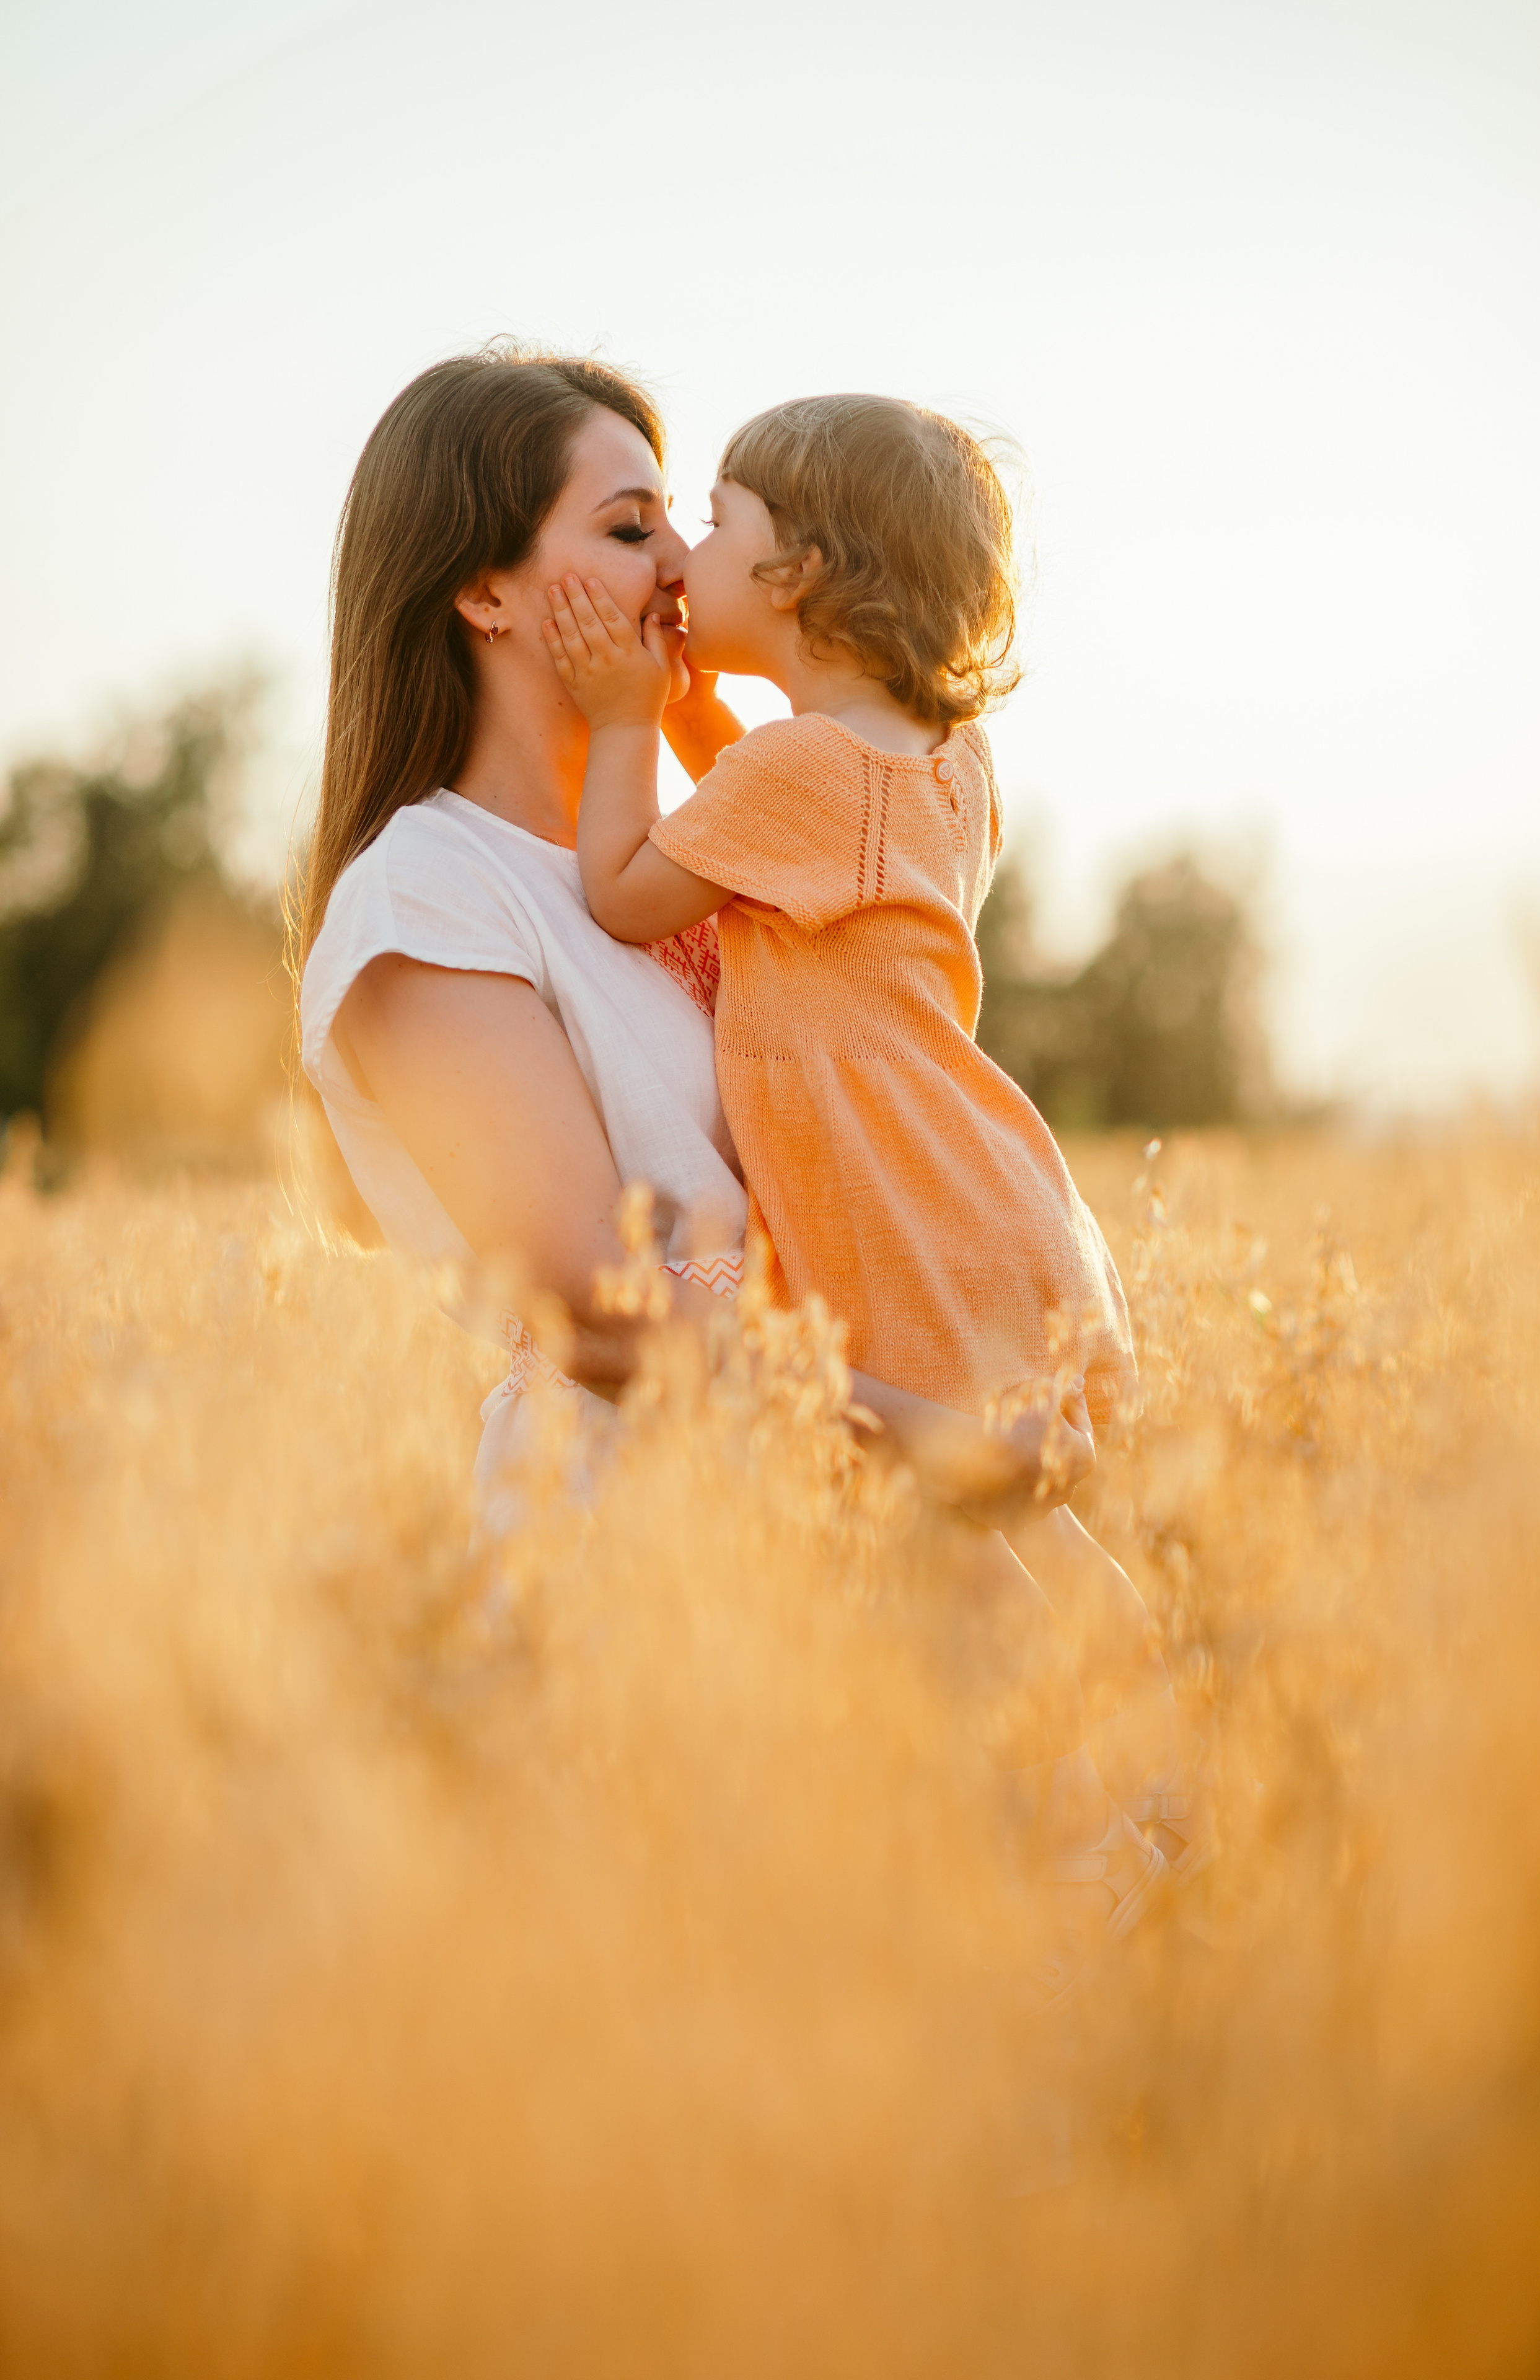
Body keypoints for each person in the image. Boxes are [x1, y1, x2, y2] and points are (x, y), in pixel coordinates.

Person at [543, 392, 1210, 1975]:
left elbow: (633, 890)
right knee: (996, 1525)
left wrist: (626, 711)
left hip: (887, 1201)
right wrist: (709, 704)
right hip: (980, 1188)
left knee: (938, 1541)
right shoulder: (941, 767)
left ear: (804, 578)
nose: (685, 552)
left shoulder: (794, 779)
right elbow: (781, 796)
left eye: (715, 522)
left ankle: (1078, 1846)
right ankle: (1140, 1766)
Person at [294, 347, 1065, 1569]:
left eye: (680, 522)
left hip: (839, 1516)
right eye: (627, 526)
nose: (676, 566)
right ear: (486, 594)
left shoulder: (707, 853)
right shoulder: (423, 897)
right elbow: (602, 1317)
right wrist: (937, 1440)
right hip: (641, 1550)